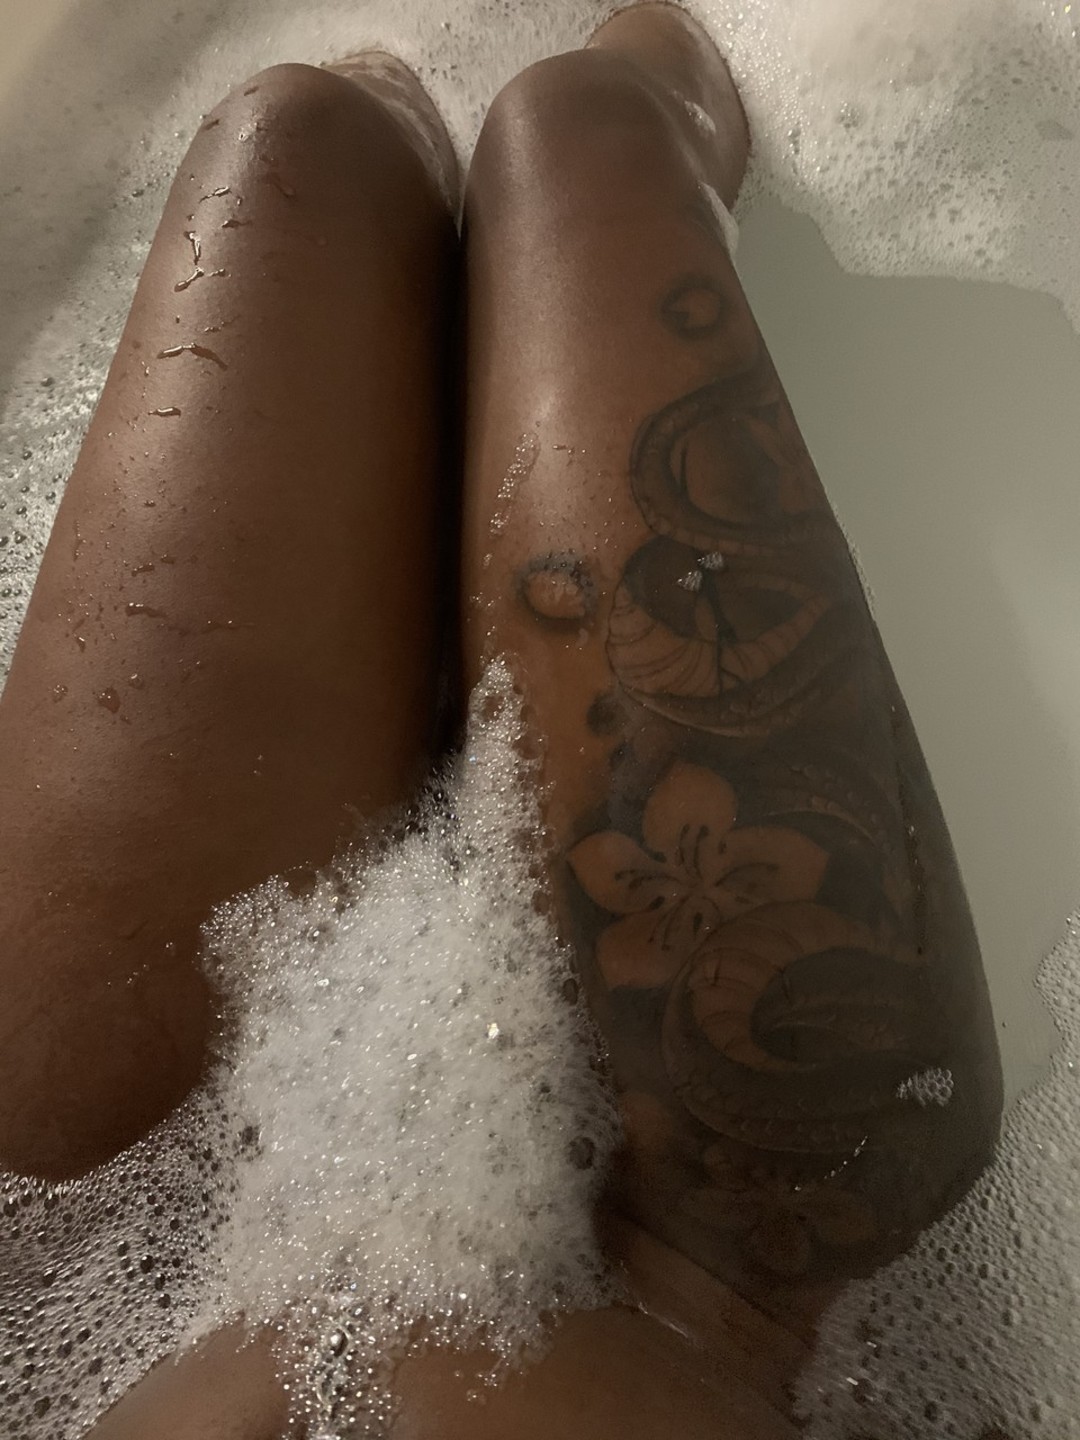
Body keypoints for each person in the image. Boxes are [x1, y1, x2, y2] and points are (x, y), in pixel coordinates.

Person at [0, 6, 1003, 1436]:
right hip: (735, 1290)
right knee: (580, 127)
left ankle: (414, 186)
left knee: (298, 138)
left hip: (98, 1243)